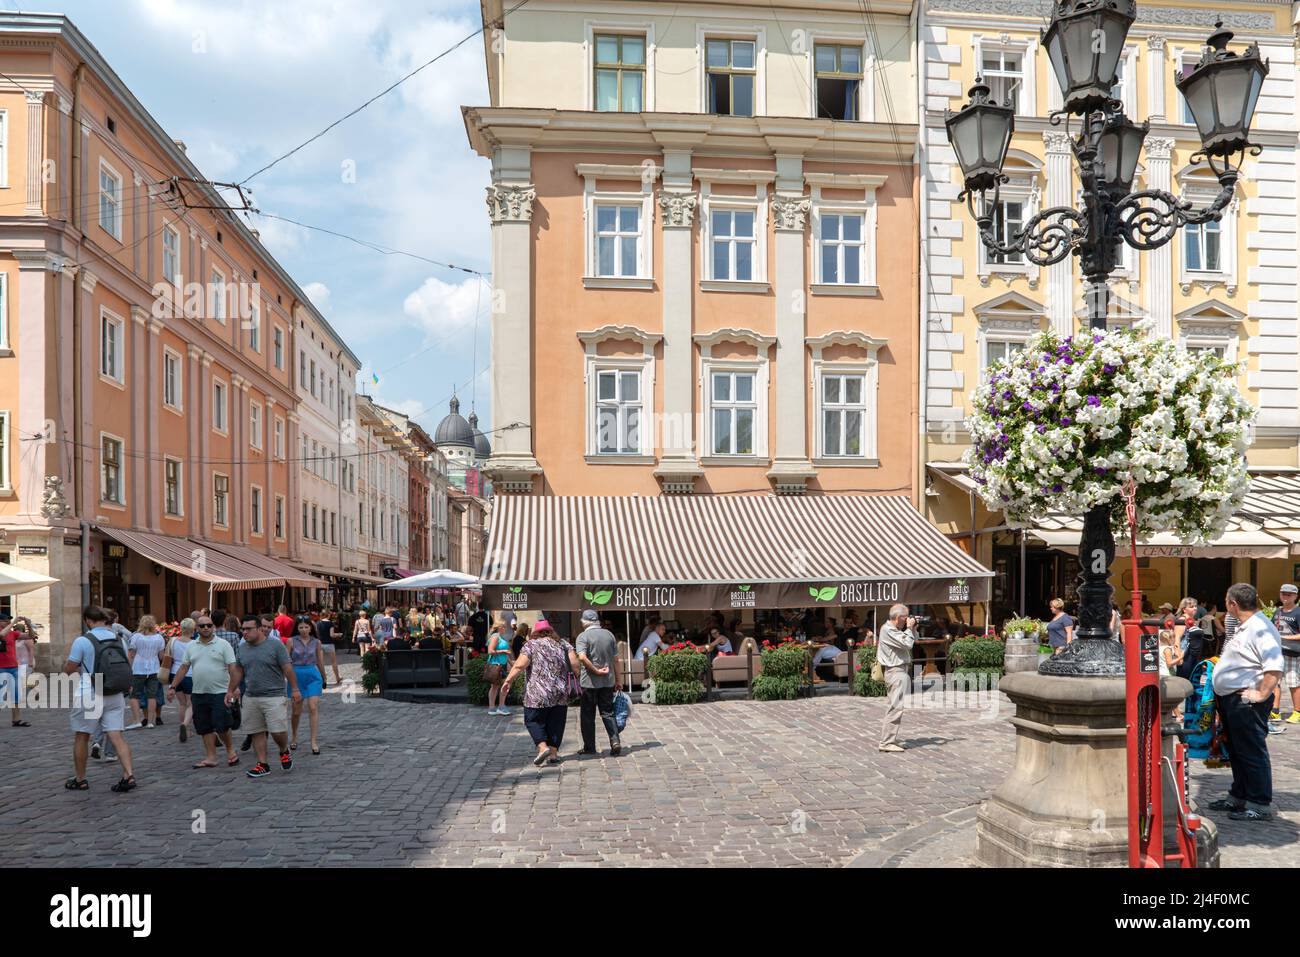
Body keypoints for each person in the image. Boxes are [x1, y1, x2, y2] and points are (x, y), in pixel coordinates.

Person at [1209, 583, 1284, 821]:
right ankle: (1239, 796)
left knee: (1251, 752)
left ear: (1233, 604)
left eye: (1226, 601)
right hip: (1233, 700)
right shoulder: (1247, 626)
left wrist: (1260, 695)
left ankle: (1259, 804)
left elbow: (1274, 667)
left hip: (1246, 702)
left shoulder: (1261, 628)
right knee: (1238, 751)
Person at [64, 606, 137, 792]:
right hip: (115, 693)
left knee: (82, 736)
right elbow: (127, 664)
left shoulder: (83, 640)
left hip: (90, 693)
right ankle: (128, 774)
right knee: (116, 735)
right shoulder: (118, 639)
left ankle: (80, 779)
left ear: (88, 620)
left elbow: (70, 667)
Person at [501, 619, 580, 766]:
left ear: (535, 633)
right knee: (556, 721)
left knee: (533, 720)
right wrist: (576, 677)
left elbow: (519, 665)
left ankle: (543, 747)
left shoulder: (531, 645)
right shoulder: (563, 644)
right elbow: (575, 664)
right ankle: (554, 754)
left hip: (538, 692)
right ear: (551, 631)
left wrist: (508, 680)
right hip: (560, 691)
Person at [168, 613, 240, 769]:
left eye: (209, 625)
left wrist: (233, 689)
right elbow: (184, 667)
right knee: (204, 726)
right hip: (199, 692)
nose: (206, 628)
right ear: (197, 629)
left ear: (213, 627)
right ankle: (211, 757)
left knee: (222, 725)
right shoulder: (191, 646)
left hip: (220, 692)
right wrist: (172, 687)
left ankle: (230, 750)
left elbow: (233, 668)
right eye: (202, 626)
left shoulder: (223, 644)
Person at [232, 614, 299, 777]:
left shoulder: (275, 646)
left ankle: (284, 750)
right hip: (251, 696)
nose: (245, 633)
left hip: (274, 695)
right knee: (256, 731)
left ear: (259, 629)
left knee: (277, 731)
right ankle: (262, 764)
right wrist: (231, 689)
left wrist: (295, 690)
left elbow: (287, 668)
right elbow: (239, 670)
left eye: (248, 629)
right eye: (243, 629)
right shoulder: (242, 648)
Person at [574, 609, 620, 755]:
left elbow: (581, 657)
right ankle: (615, 741)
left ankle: (590, 746)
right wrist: (619, 680)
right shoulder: (609, 635)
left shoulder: (583, 636)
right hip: (608, 681)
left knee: (587, 715)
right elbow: (616, 660)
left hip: (589, 682)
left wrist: (595, 670)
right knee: (608, 712)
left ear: (585, 622)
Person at [877, 605, 917, 753]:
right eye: (906, 617)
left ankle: (890, 739)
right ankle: (886, 742)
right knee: (895, 707)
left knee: (896, 706)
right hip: (895, 671)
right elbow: (907, 643)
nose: (907, 620)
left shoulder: (896, 630)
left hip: (899, 671)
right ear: (899, 617)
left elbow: (911, 642)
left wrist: (912, 629)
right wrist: (909, 628)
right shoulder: (887, 630)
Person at [288, 617, 325, 754]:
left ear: (311, 628)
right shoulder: (291, 641)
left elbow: (320, 661)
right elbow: (286, 661)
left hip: (312, 675)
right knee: (296, 712)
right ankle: (294, 736)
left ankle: (313, 741)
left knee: (313, 707)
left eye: (306, 627)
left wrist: (324, 677)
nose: (304, 630)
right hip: (296, 676)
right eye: (301, 627)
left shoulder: (317, 642)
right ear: (297, 628)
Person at [124, 615, 167, 730]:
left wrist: (127, 669)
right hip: (154, 668)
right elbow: (161, 656)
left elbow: (131, 655)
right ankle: (150, 722)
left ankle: (137, 720)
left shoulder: (136, 637)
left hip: (138, 668)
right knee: (152, 695)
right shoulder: (159, 638)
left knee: (135, 695)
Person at [1270, 584, 1300, 725]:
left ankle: (1297, 712)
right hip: (1277, 653)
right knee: (1275, 682)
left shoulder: (1298, 612)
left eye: (1289, 594)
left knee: (1293, 683)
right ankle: (1275, 711)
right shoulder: (1278, 611)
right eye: (1283, 593)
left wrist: (1285, 638)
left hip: (1293, 653)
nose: (1286, 596)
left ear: (1295, 596)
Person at [163, 618, 196, 742]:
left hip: (174, 674)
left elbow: (167, 657)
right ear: (192, 629)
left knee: (182, 703)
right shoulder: (194, 643)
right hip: (189, 674)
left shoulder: (173, 641)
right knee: (190, 704)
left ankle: (184, 727)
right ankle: (186, 726)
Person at [0, 613, 27, 728]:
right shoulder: (3, 632)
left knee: (16, 695)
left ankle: (16, 720)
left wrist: (29, 624)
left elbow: (30, 636)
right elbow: (1, 634)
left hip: (13, 667)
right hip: (1, 668)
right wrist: (14, 622)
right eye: (5, 620)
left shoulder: (13, 633)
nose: (7, 622)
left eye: (8, 620)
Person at [485, 622, 514, 716]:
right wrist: (503, 651)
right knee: (496, 686)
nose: (505, 628)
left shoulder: (499, 637)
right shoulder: (495, 636)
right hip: (496, 665)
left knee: (502, 685)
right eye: (504, 627)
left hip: (502, 664)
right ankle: (495, 707)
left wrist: (511, 663)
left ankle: (498, 707)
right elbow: (490, 651)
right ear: (499, 627)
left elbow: (506, 654)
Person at [316, 609, 341, 686]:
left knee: (320, 662)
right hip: (329, 644)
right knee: (333, 662)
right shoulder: (330, 623)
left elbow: (317, 633)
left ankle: (324, 678)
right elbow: (332, 635)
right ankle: (337, 678)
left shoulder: (318, 623)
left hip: (320, 644)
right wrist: (338, 635)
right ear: (328, 615)